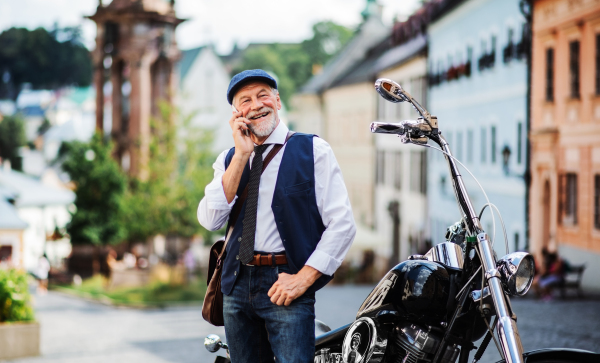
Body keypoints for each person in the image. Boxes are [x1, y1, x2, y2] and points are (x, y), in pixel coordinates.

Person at [198, 69, 356, 363]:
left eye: (262, 95)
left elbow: (343, 225)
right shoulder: (229, 159)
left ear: (277, 100)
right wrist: (242, 155)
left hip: (285, 282)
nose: (255, 105)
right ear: (236, 114)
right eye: (245, 100)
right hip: (236, 280)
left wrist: (304, 278)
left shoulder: (312, 150)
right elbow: (210, 219)